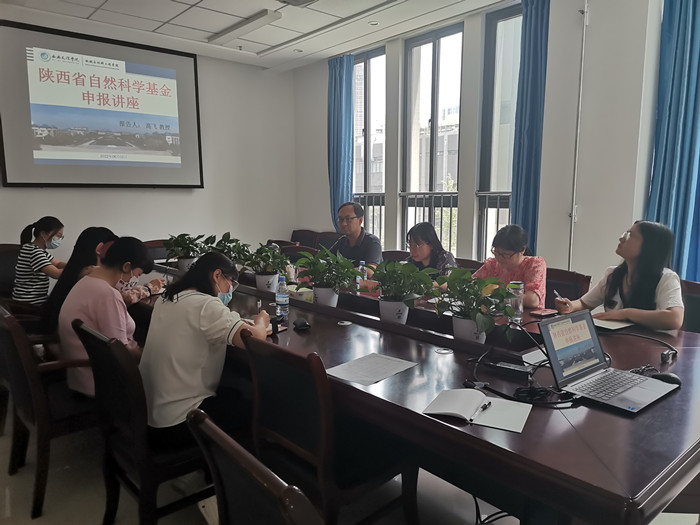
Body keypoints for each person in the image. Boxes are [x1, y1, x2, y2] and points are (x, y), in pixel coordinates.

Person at [139, 251, 269, 445]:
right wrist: (261, 321)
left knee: (235, 393)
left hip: (149, 415)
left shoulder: (168, 297)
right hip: (181, 423)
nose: (231, 289)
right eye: (231, 282)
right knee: (258, 406)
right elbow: (255, 338)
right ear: (217, 275)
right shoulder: (206, 305)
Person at [57, 237, 154, 396]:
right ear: (126, 266)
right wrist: (150, 355)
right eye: (137, 274)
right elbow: (121, 353)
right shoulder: (107, 295)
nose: (135, 280)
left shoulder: (86, 281)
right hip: (102, 381)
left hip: (82, 375)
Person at [555, 221, 684, 331]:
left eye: (630, 235)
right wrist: (570, 306)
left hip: (650, 348)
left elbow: (675, 319)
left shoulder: (666, 278)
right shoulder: (613, 274)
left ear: (649, 246)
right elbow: (584, 304)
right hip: (614, 344)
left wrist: (626, 313)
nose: (621, 239)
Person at [472, 225, 546, 309]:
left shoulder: (534, 264)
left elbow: (532, 300)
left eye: (505, 254)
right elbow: (470, 284)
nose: (499, 258)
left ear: (522, 251)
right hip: (496, 315)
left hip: (526, 316)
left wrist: (495, 295)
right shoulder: (492, 265)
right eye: (496, 252)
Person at [12, 216, 66, 306]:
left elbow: (58, 264)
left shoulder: (38, 250)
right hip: (27, 304)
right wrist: (78, 269)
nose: (59, 240)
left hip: (36, 301)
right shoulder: (33, 252)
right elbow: (56, 274)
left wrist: (74, 265)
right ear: (44, 234)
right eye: (58, 236)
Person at [329, 202, 383, 271]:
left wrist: (343, 272)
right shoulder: (342, 241)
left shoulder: (372, 242)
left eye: (348, 219)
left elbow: (370, 270)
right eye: (341, 219)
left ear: (360, 221)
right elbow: (325, 260)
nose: (343, 224)